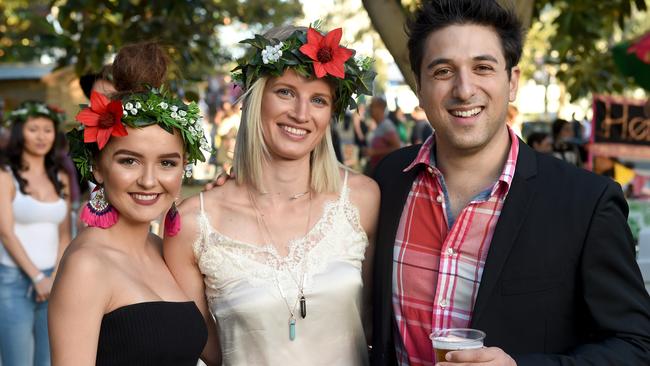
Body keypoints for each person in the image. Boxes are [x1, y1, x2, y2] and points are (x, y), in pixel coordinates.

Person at [370, 1, 650, 365]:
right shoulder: (389, 179)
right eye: (442, 71)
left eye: (483, 68)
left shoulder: (585, 203)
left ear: (512, 80)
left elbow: (635, 345)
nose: (464, 89)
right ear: (420, 86)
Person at [164, 25, 379, 365]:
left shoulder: (361, 200)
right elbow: (202, 343)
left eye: (318, 100)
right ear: (255, 97)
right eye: (285, 92)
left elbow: (373, 317)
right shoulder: (194, 224)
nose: (301, 113)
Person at [48, 42, 213, 366]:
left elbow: (221, 353)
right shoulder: (87, 266)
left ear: (184, 168)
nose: (149, 181)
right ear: (97, 166)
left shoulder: (166, 252)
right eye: (129, 161)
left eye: (167, 163)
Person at [0, 101, 71, 366]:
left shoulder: (60, 177)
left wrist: (54, 277)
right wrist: (37, 277)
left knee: (49, 360)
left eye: (47, 129)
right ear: (20, 132)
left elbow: (64, 232)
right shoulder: (5, 175)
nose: (41, 136)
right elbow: (5, 232)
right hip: (13, 282)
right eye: (33, 129)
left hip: (53, 280)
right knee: (17, 361)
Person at [366, 97, 401, 173]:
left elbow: (397, 147)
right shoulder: (379, 126)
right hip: (378, 170)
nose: (369, 109)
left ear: (380, 108)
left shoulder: (386, 126)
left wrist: (374, 152)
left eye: (372, 106)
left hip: (385, 171)